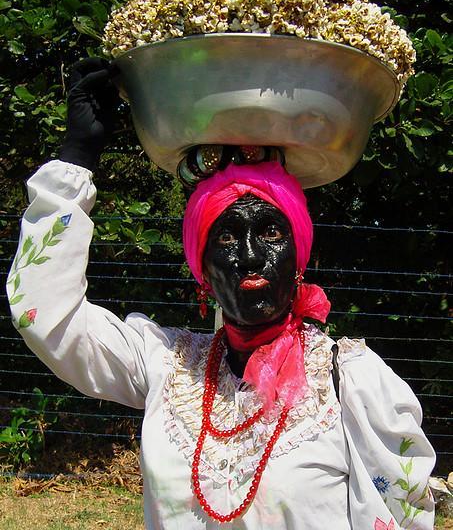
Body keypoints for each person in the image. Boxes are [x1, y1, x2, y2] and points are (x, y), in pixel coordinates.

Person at [7, 59, 435, 529]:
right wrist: (78, 156)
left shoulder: (350, 384)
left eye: (271, 233)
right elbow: (43, 315)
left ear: (299, 260)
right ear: (203, 272)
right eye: (227, 239)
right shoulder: (166, 366)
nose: (250, 256)